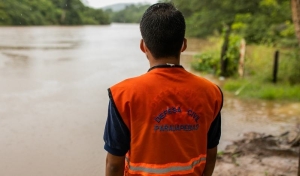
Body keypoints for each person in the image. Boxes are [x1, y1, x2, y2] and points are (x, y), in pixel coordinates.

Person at [103, 3, 223, 176]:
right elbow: (211, 154)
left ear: (143, 46)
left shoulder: (123, 95)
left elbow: (114, 164)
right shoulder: (211, 93)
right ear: (183, 45)